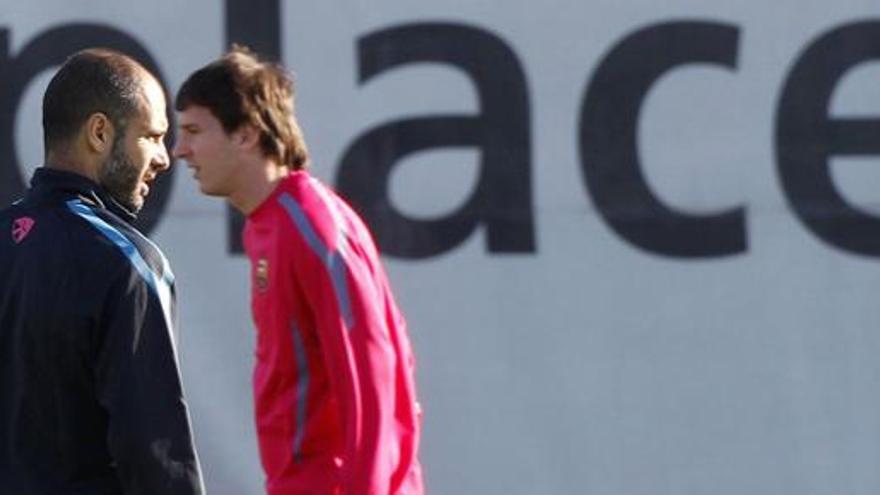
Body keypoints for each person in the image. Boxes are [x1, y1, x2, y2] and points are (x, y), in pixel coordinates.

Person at [174, 46, 424, 495]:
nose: (180, 150)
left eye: (193, 131)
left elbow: (372, 367)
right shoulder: (269, 224)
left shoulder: (309, 226)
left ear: (246, 134)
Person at [0, 48, 204, 494]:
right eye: (151, 136)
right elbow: (154, 448)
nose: (165, 158)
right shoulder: (125, 263)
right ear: (99, 132)